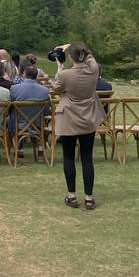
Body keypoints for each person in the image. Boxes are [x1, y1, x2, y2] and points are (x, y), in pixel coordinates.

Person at [50, 42, 105, 211]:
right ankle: (89, 198)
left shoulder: (66, 75)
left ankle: (72, 195)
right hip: (88, 118)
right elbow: (90, 57)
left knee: (68, 157)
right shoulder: (93, 70)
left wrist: (59, 67)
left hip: (69, 119)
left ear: (70, 57)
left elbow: (56, 89)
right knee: (87, 158)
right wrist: (74, 46)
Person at [9, 65, 51, 157]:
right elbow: (47, 111)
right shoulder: (44, 90)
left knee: (11, 117)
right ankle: (40, 146)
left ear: (24, 74)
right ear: (37, 76)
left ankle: (19, 148)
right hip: (37, 124)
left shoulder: (14, 88)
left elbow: (9, 107)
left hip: (18, 124)